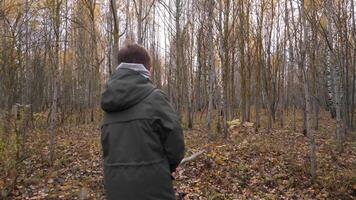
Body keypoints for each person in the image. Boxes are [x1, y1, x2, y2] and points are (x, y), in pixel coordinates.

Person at [100, 43, 185, 200]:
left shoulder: (109, 102)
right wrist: (170, 167)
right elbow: (176, 143)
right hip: (153, 190)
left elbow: (107, 148)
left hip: (115, 189)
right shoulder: (155, 98)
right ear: (146, 69)